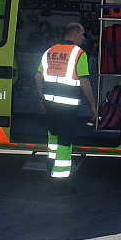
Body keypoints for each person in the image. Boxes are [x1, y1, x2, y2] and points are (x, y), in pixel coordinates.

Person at [35, 23, 98, 184]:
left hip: (49, 102)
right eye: (83, 34)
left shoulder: (50, 51)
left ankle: (51, 168)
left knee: (53, 135)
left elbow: (37, 76)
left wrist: (42, 96)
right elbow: (84, 80)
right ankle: (60, 180)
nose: (84, 38)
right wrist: (92, 104)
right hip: (68, 105)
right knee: (64, 139)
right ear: (75, 34)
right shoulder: (79, 53)